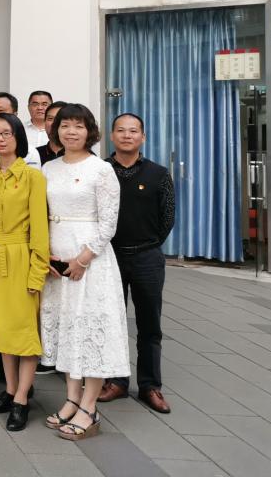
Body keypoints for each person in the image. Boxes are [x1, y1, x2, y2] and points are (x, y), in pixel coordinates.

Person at [41, 104, 128, 441]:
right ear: (57, 131)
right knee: (68, 327)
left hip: (91, 260)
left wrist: (83, 259)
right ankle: (71, 399)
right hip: (57, 258)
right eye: (65, 125)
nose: (71, 131)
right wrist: (47, 255)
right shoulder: (49, 168)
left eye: (78, 126)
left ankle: (89, 408)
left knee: (90, 327)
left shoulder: (101, 169)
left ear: (89, 131)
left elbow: (109, 223)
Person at [0, 112, 49, 431]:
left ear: (19, 137)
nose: (0, 138)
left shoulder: (32, 177)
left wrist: (37, 272)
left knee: (23, 330)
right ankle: (10, 389)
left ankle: (21, 399)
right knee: (1, 329)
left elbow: (40, 230)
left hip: (19, 259)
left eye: (6, 133)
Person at [98, 113, 175, 415]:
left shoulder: (158, 174)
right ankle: (116, 381)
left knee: (149, 324)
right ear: (112, 135)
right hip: (109, 257)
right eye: (121, 130)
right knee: (111, 321)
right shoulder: (100, 170)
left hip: (147, 257)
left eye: (133, 131)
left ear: (143, 137)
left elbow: (167, 218)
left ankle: (150, 386)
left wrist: (149, 244)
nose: (127, 135)